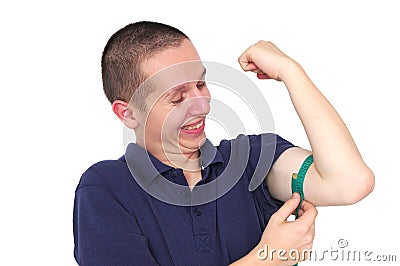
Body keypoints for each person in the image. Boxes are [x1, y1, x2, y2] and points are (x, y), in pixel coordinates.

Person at [73, 21, 374, 265]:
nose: (201, 104)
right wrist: (265, 259)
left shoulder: (249, 162)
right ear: (128, 113)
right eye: (177, 98)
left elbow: (351, 182)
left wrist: (290, 71)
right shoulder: (105, 189)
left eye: (201, 84)